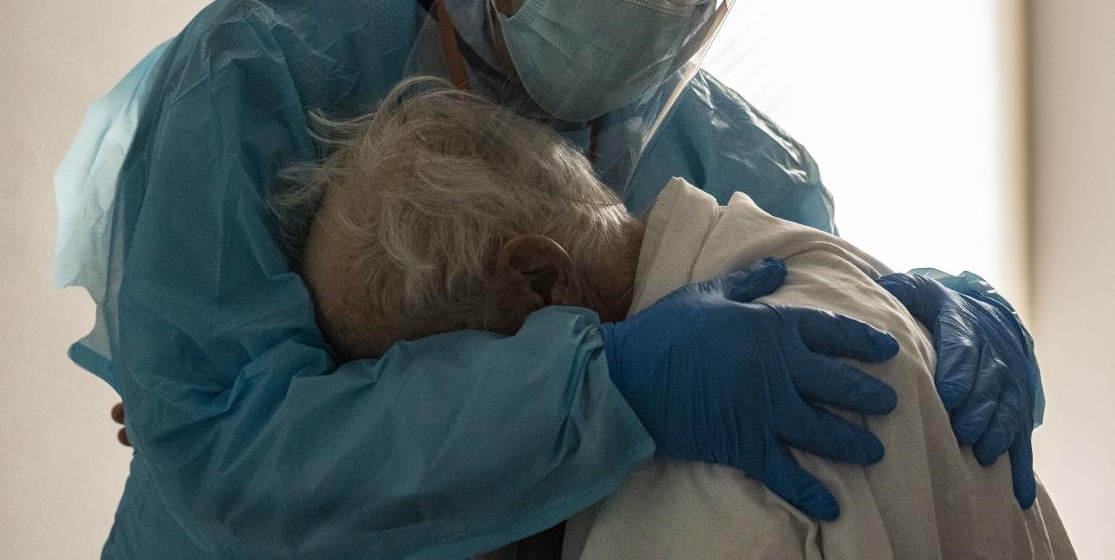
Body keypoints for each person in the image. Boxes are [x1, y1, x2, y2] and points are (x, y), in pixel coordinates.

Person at [60, 0, 1043, 556]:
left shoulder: (740, 160)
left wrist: (916, 314)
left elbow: (814, 335)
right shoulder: (262, 69)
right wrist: (602, 386)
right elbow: (221, 446)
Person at [269, 76, 1073, 559]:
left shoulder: (712, 478)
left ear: (542, 280)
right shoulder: (807, 267)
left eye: (441, 375)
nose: (458, 436)